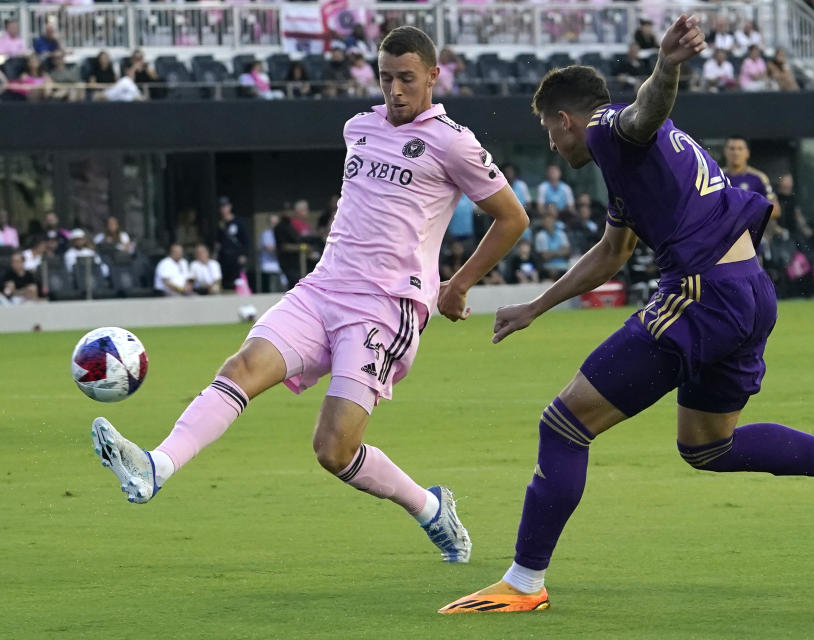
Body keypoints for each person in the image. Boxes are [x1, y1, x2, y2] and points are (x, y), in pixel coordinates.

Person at [441, 14, 814, 614]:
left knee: (563, 425)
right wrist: (538, 305)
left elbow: (645, 111)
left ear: (566, 120)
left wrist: (666, 66)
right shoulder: (629, 170)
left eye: (548, 131)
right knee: (707, 447)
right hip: (747, 291)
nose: (552, 146)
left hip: (701, 294)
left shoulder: (610, 131)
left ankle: (524, 582)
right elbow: (612, 253)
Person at [89, 26, 528, 567]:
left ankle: (430, 508)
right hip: (322, 287)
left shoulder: (453, 142)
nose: (394, 90)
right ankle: (156, 466)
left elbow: (512, 218)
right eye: (386, 77)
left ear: (434, 76)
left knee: (333, 449)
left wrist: (457, 284)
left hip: (385, 307)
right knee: (243, 366)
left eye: (407, 79)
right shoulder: (358, 127)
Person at [722, 136, 780, 219]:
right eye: (732, 148)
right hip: (722, 230)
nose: (736, 153)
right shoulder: (717, 176)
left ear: (747, 153)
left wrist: (748, 213)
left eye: (740, 149)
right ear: (725, 152)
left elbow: (775, 210)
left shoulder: (759, 178)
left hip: (749, 230)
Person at [216, 196, 249, 291]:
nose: (223, 209)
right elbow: (218, 241)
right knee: (225, 281)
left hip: (236, 256)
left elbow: (245, 240)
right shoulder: (219, 224)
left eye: (225, 206)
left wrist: (244, 254)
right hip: (223, 256)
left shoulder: (238, 222)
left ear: (229, 207)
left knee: (237, 281)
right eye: (221, 207)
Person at [534, 207, 571, 280]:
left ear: (554, 221)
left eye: (550, 221)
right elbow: (545, 256)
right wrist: (560, 252)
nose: (549, 223)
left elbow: (567, 251)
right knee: (553, 273)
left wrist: (552, 254)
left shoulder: (561, 234)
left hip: (564, 266)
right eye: (547, 221)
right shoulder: (540, 236)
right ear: (543, 223)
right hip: (548, 267)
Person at [259, 213, 284, 291]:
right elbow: (269, 248)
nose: (274, 225)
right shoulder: (266, 234)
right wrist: (284, 247)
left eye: (276, 222)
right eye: (272, 222)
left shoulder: (281, 234)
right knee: (272, 290)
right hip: (270, 266)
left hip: (282, 267)